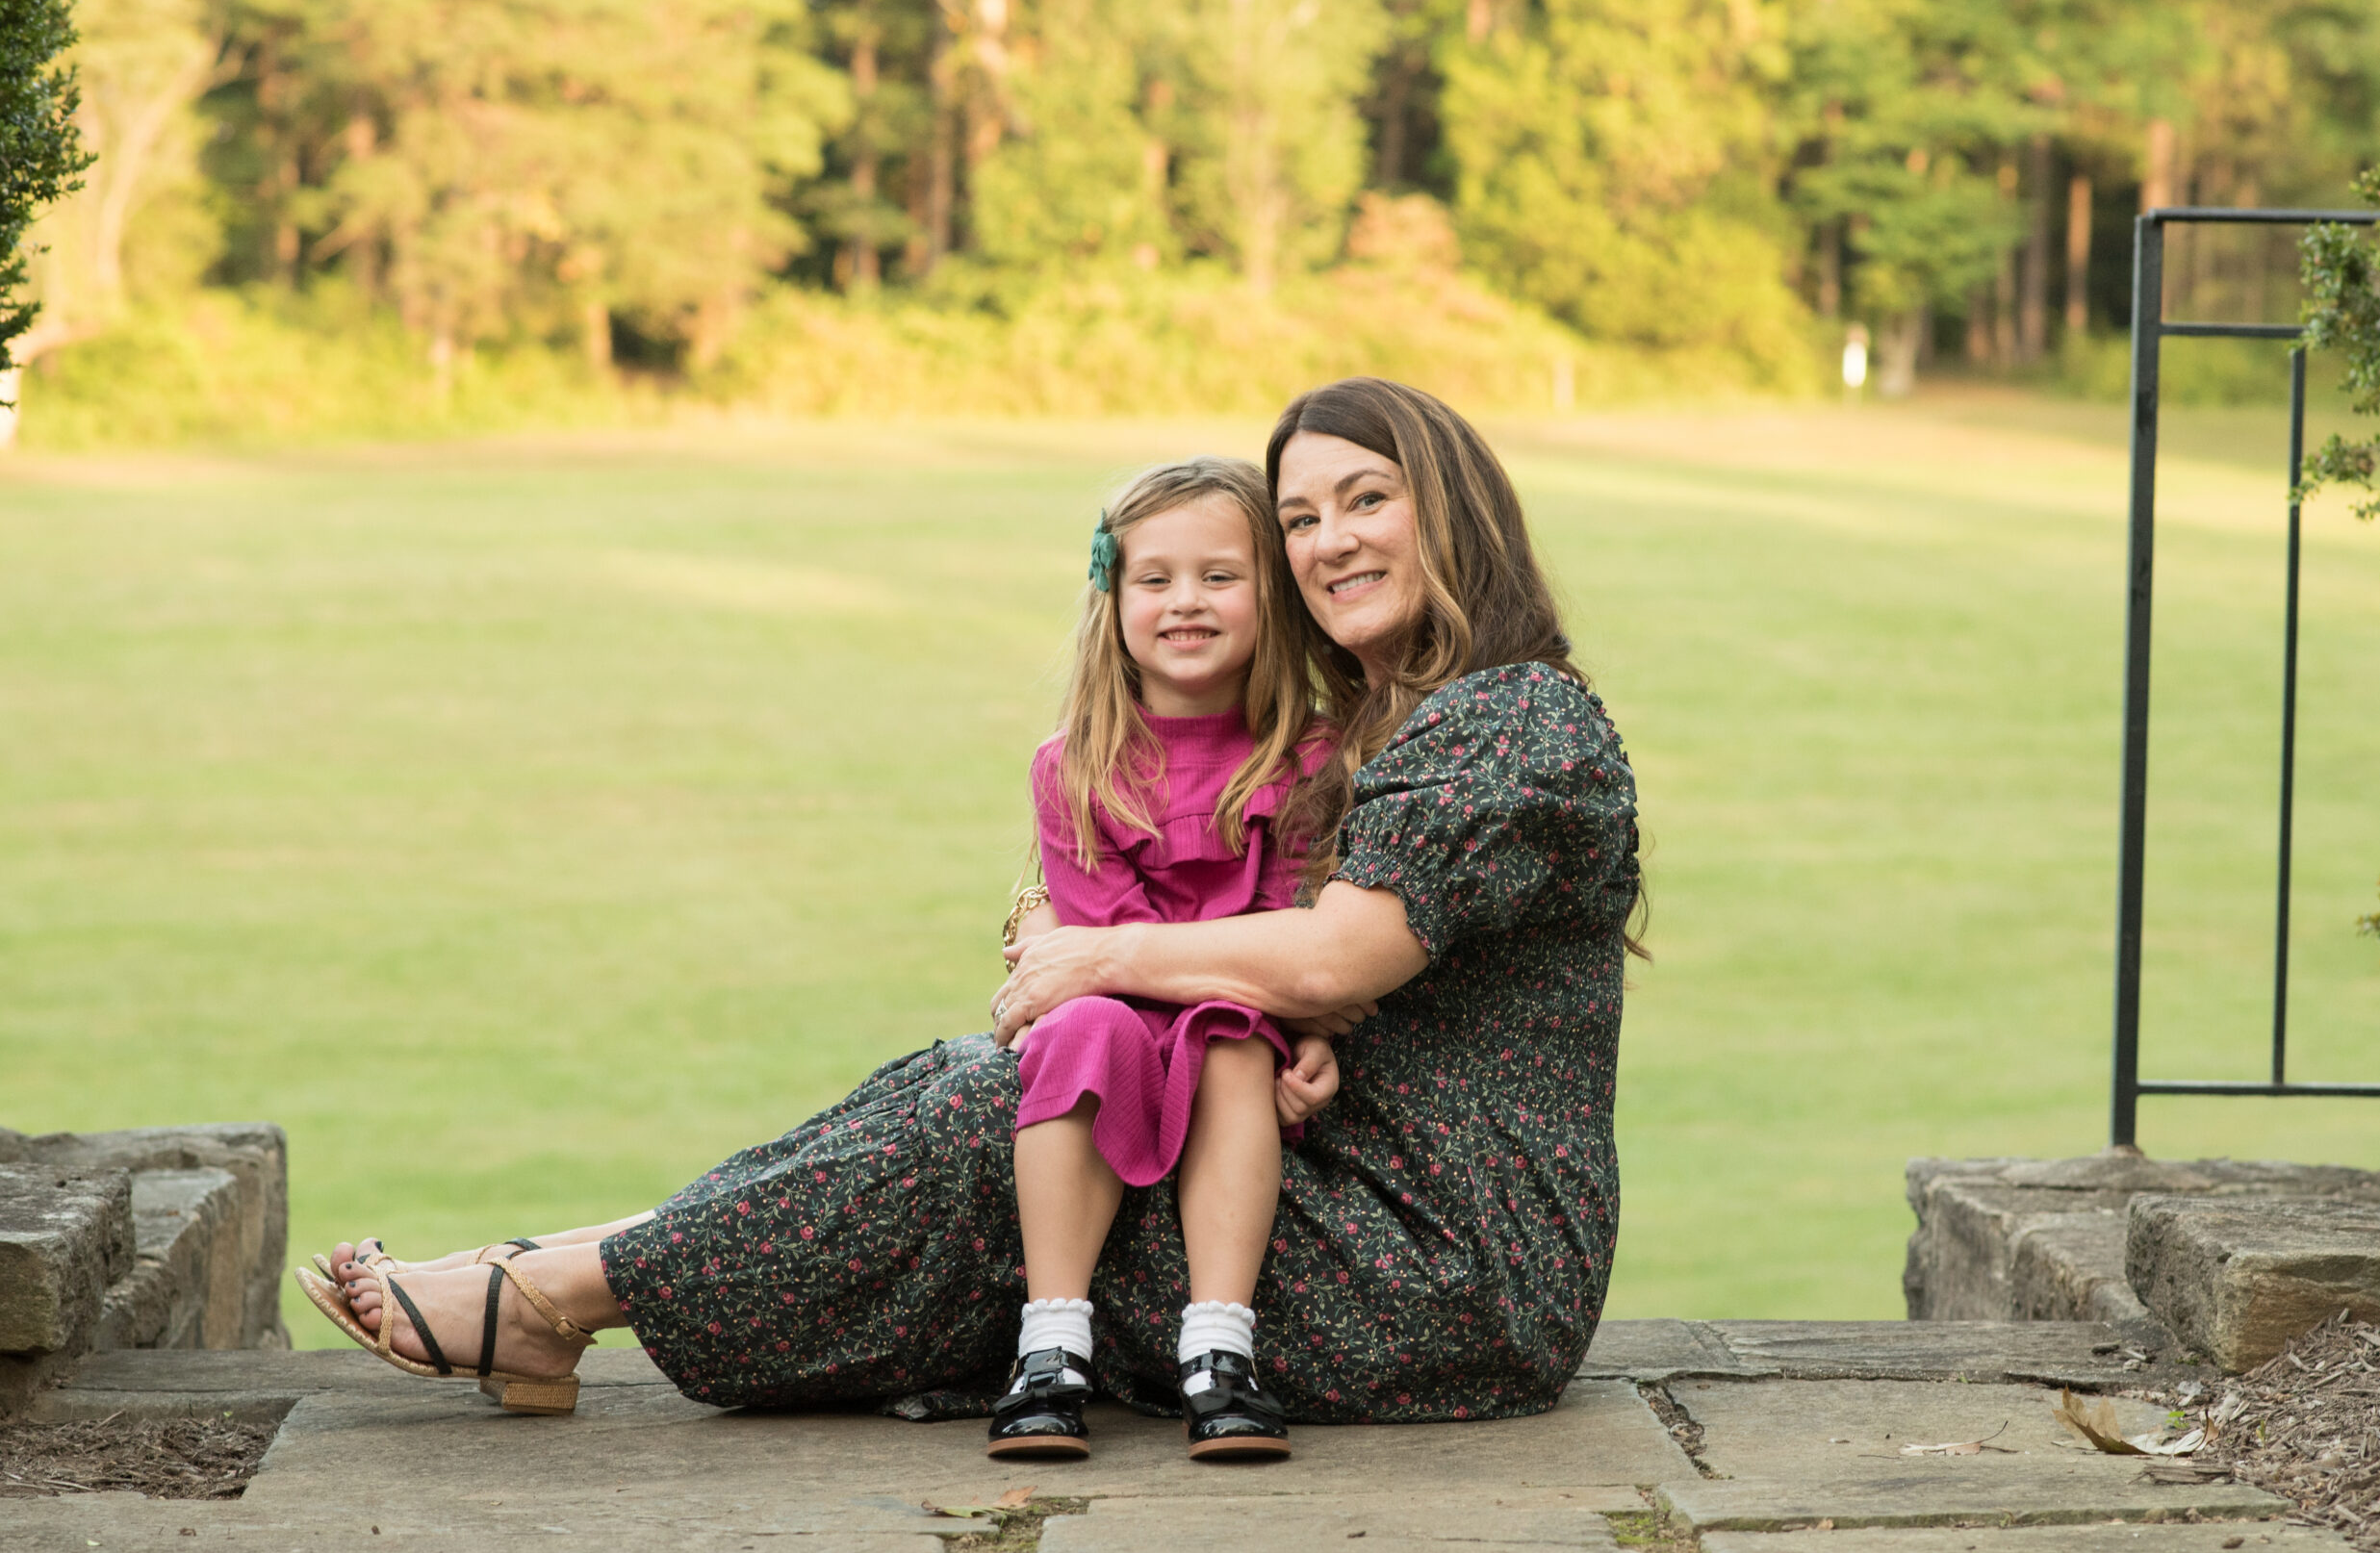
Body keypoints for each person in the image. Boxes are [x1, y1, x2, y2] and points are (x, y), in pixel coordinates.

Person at [302, 376, 1640, 1436]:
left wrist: (1103, 954)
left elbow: (1344, 953)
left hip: (1441, 1275)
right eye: (1299, 518)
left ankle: (553, 1294)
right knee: (981, 1087)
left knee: (987, 1126)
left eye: (1367, 501)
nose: (1330, 541)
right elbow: (1328, 963)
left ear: (1453, 508)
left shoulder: (1516, 718)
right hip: (1339, 1193)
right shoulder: (1393, 720)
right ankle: (558, 1270)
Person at [994, 456, 1337, 1464]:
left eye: (1219, 576)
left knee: (1229, 1043)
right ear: (1115, 595)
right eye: (1155, 578)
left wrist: (1307, 1030)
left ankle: (1219, 1348)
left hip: (1241, 1009)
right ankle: (1052, 1343)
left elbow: (1296, 926)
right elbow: (1093, 945)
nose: (1186, 601)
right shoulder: (1075, 763)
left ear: (1269, 596)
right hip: (1119, 1010)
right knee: (1083, 1026)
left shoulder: (1308, 758)